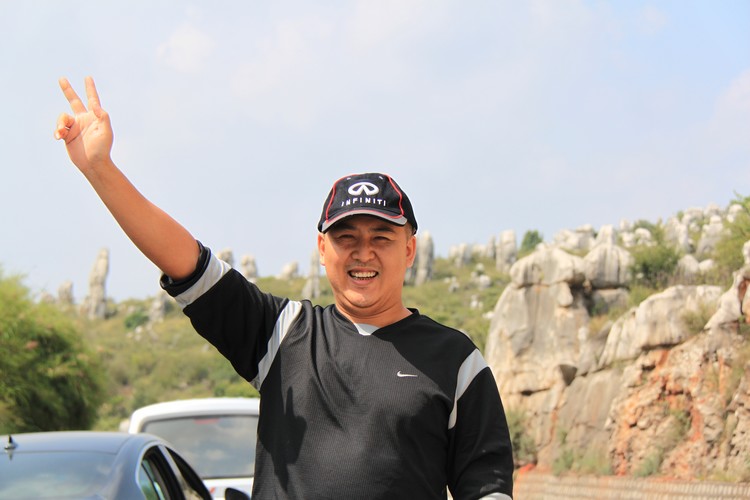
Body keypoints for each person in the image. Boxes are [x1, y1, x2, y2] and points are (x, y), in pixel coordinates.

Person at [55, 76, 514, 500]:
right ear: (322, 249)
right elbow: (186, 261)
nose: (363, 253)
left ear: (410, 250)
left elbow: (487, 488)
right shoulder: (284, 335)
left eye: (381, 238)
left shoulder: (457, 361)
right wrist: (100, 168)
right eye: (346, 238)